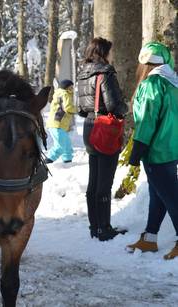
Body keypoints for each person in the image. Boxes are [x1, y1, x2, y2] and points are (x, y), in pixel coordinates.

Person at [125, 42, 178, 260]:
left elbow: (147, 120)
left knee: (172, 197)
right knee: (159, 195)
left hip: (156, 151)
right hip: (171, 149)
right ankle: (150, 238)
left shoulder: (151, 84)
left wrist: (138, 149)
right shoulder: (172, 83)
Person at [76, 37, 128, 241]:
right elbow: (114, 104)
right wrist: (127, 108)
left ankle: (94, 226)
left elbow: (81, 109)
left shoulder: (82, 74)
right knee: (104, 183)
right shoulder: (105, 73)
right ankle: (104, 229)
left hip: (89, 128)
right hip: (104, 129)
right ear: (104, 53)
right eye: (110, 52)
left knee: (94, 180)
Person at [45, 79, 77, 164]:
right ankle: (48, 160)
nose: (72, 89)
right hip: (57, 124)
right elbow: (68, 107)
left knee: (67, 145)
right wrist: (78, 110)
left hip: (58, 125)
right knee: (60, 146)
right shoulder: (65, 94)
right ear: (66, 88)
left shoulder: (60, 93)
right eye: (71, 87)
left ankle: (68, 161)